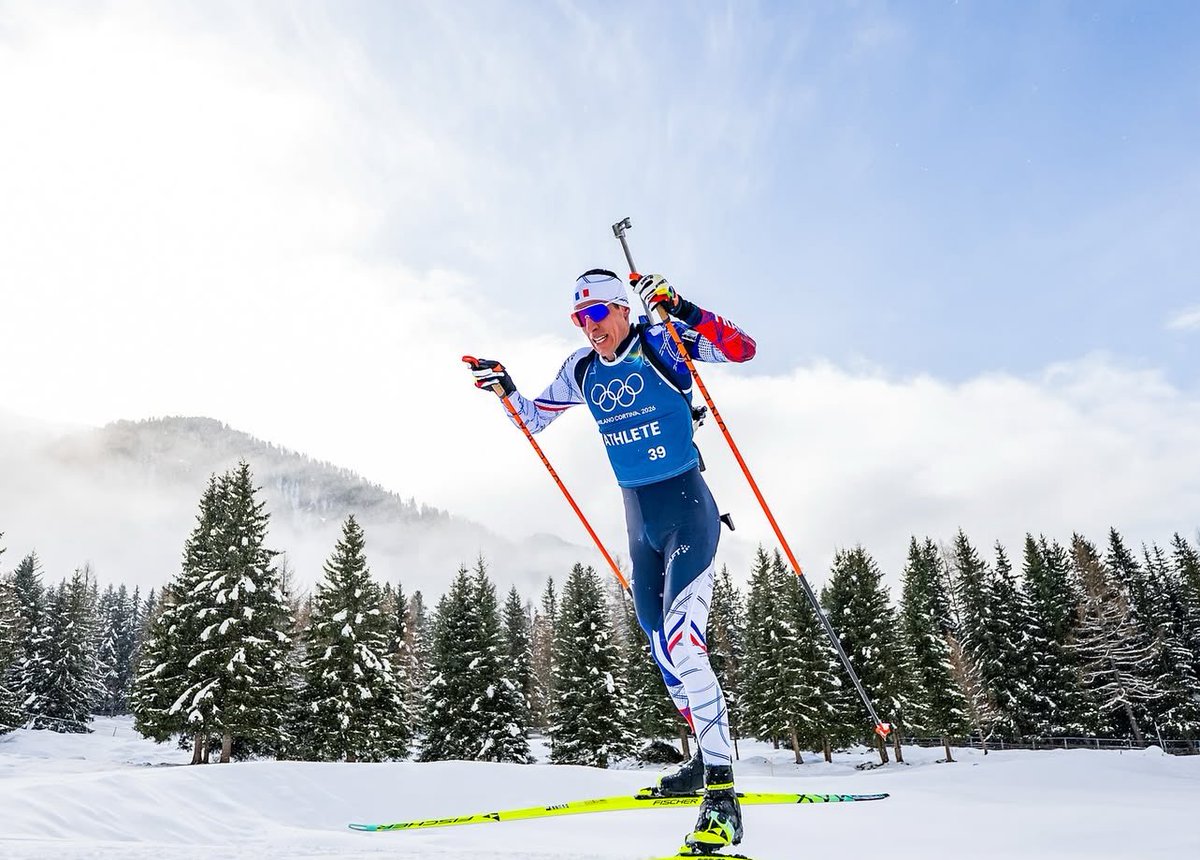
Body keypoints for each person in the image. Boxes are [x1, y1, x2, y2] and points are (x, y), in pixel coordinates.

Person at [465, 269, 756, 851]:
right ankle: (701, 759)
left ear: (621, 310)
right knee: (656, 639)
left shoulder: (661, 340)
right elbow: (533, 418)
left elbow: (743, 349)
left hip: (688, 511)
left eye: (596, 315)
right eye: (579, 319)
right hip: (639, 523)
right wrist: (506, 389)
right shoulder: (581, 369)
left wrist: (686, 309)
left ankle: (722, 794)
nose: (589, 328)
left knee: (684, 642)